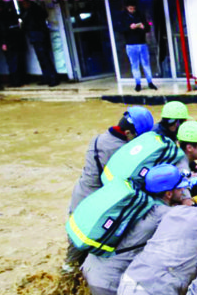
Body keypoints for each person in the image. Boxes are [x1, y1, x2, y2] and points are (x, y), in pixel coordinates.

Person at [49, 164, 188, 295]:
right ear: (168, 193)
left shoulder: (141, 203)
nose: (183, 191)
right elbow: (189, 224)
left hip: (94, 266)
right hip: (109, 279)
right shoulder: (162, 214)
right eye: (180, 188)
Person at [63, 106, 154, 271]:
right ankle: (71, 281)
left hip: (81, 196)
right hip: (94, 204)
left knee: (75, 249)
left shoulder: (98, 138)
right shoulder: (120, 150)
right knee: (86, 250)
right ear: (127, 133)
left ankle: (68, 277)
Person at [120, 0, 157, 92]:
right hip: (131, 44)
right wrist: (129, 28)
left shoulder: (140, 15)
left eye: (133, 8)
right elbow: (120, 29)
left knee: (146, 64)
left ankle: (150, 82)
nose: (132, 10)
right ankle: (138, 83)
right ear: (127, 8)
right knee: (135, 65)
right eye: (130, 8)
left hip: (142, 43)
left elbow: (148, 28)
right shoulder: (123, 17)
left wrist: (143, 27)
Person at [20, 1, 59, 87]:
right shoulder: (33, 11)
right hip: (37, 36)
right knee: (42, 58)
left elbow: (31, 24)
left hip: (38, 36)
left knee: (44, 58)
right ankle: (48, 77)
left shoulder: (33, 11)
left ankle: (52, 78)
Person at [0, 1, 26, 87]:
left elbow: (3, 31)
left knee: (11, 62)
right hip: (16, 41)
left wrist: (3, 42)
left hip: (9, 42)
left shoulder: (2, 17)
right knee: (17, 60)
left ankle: (15, 81)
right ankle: (21, 79)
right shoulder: (13, 15)